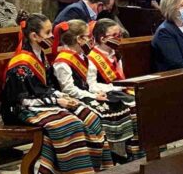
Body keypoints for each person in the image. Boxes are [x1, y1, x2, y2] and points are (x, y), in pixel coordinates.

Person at [0, 14, 113, 174]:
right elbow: (21, 99)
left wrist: (64, 97)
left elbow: (48, 87)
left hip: (43, 104)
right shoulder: (20, 62)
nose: (52, 37)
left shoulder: (41, 56)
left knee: (88, 114)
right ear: (34, 36)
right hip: (22, 110)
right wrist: (56, 101)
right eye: (47, 33)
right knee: (71, 124)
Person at [53, 20, 135, 162]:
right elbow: (69, 90)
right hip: (73, 99)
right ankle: (105, 158)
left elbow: (90, 82)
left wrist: (97, 93)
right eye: (88, 37)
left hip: (88, 95)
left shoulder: (83, 56)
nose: (91, 40)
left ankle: (124, 152)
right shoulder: (63, 61)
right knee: (101, 115)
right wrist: (92, 95)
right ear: (79, 39)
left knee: (120, 106)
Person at [87, 19, 142, 160]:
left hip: (121, 90)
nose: (119, 38)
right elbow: (91, 85)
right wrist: (114, 87)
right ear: (102, 38)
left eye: (120, 35)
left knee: (146, 101)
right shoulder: (92, 58)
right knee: (135, 108)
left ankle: (146, 150)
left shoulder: (115, 53)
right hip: (105, 94)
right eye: (115, 35)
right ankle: (132, 154)